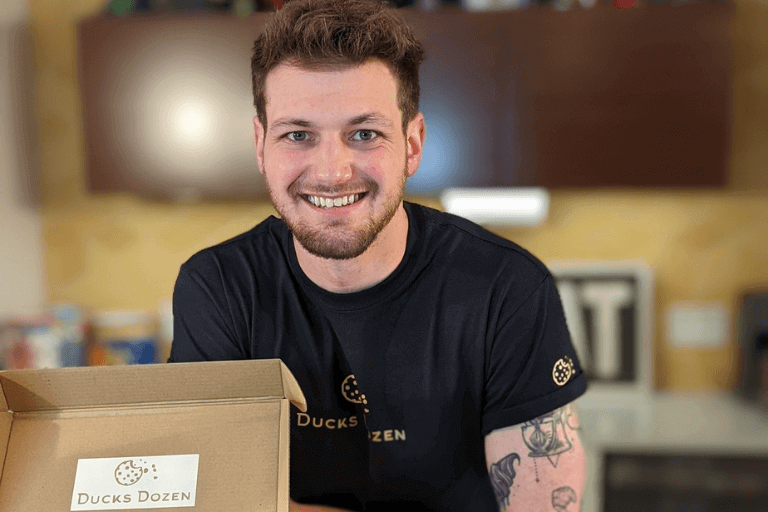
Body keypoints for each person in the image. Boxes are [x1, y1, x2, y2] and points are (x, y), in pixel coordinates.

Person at [168, 0, 587, 510]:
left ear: (412, 144)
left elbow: (541, 501)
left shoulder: (506, 287)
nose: (333, 171)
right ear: (260, 145)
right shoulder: (219, 287)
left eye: (364, 134)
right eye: (297, 135)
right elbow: (213, 498)